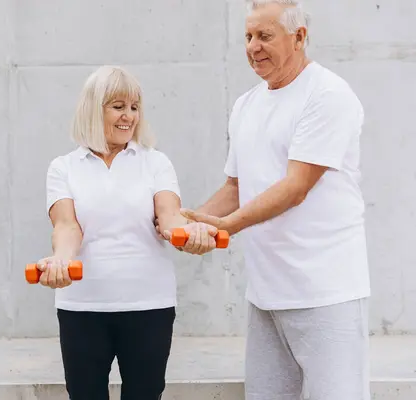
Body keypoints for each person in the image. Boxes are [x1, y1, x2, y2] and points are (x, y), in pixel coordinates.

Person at [162, 1, 371, 399]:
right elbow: (236, 188)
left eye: (265, 36)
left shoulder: (327, 95)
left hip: (327, 294)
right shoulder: (247, 105)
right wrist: (191, 224)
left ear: (299, 37)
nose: (253, 47)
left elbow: (296, 187)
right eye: (248, 36)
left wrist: (227, 226)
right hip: (266, 296)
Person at [36, 65, 214, 400]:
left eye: (134, 107)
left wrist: (193, 232)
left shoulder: (155, 162)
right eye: (118, 106)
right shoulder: (64, 168)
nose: (128, 117)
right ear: (93, 108)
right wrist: (61, 260)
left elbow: (170, 217)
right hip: (83, 309)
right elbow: (66, 225)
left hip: (149, 306)